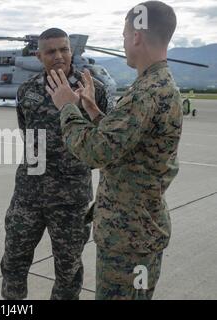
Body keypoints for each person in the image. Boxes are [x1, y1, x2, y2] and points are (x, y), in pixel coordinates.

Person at [46, 1, 182, 299]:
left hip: (128, 240)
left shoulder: (145, 93)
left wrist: (67, 106)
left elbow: (95, 151)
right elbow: (127, 144)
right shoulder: (158, 85)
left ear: (136, 37)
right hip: (139, 231)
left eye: (123, 35)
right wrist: (93, 111)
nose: (123, 42)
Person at [0, 28, 109, 300]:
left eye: (64, 49)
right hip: (28, 195)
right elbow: (27, 132)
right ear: (39, 56)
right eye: (51, 51)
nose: (59, 56)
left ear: (71, 51)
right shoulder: (27, 91)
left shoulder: (93, 91)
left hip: (71, 201)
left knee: (68, 271)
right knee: (13, 262)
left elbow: (104, 141)